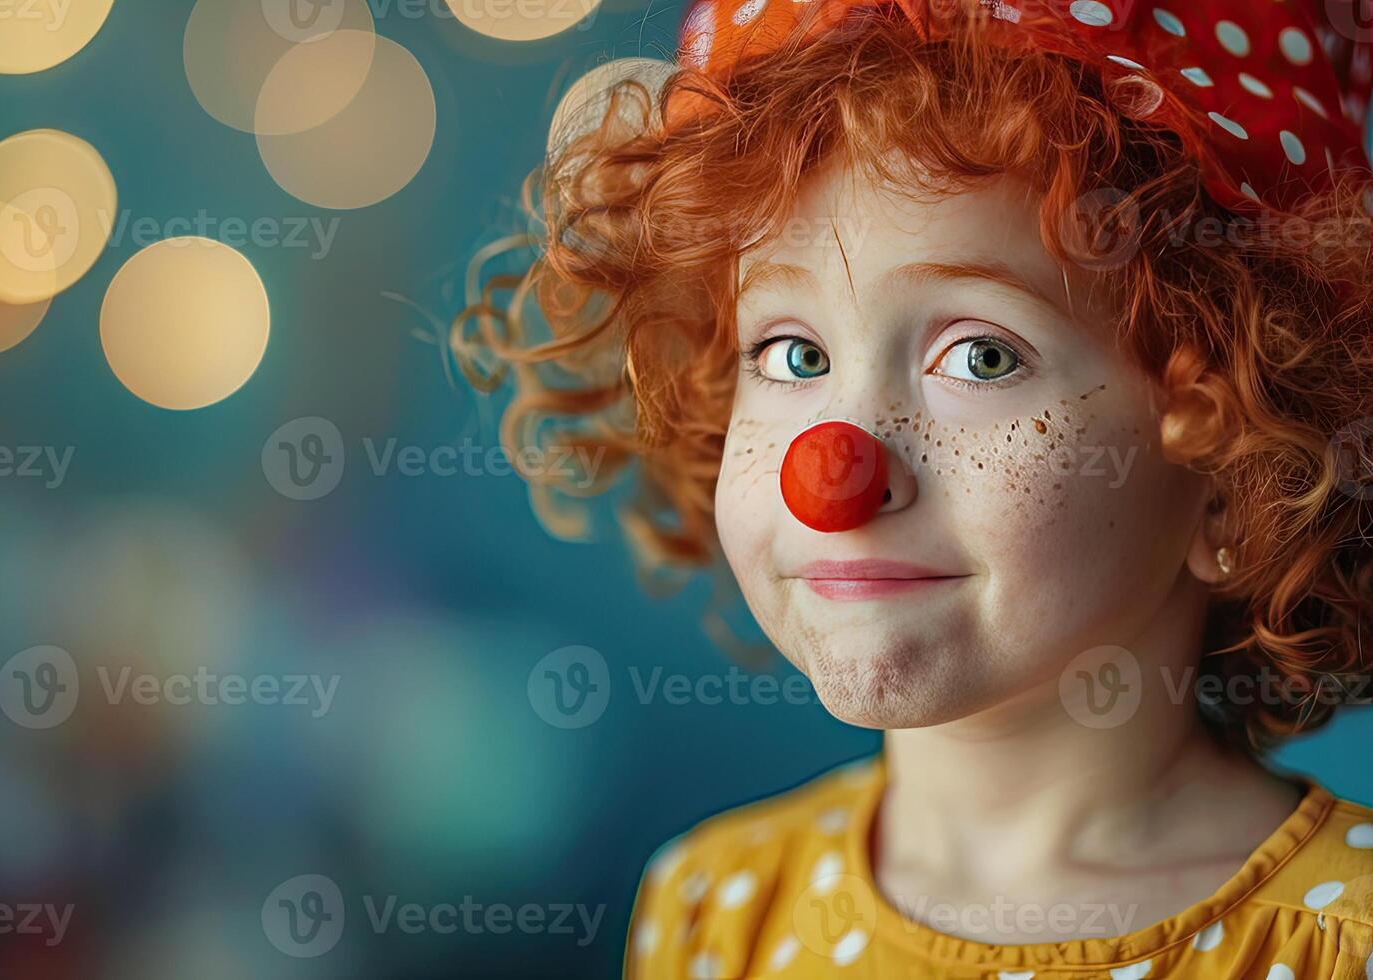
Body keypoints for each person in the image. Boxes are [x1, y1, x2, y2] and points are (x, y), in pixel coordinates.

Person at [454, 0, 1373, 975]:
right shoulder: (707, 905)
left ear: (1235, 471)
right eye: (793, 352)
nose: (835, 475)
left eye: (980, 356)